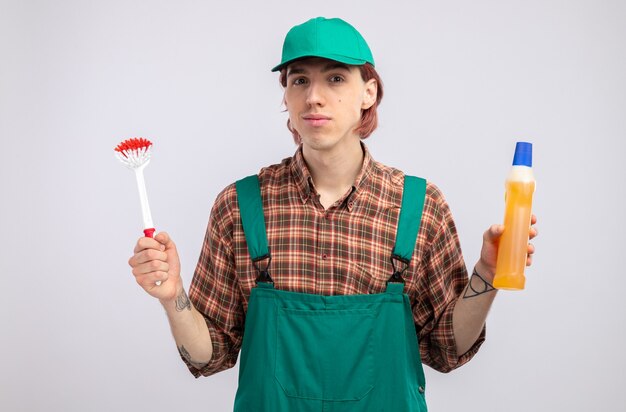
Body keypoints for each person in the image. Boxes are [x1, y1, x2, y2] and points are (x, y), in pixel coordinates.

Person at [128, 17, 537, 411]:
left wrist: (487, 272)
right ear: (285, 95)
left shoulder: (420, 206)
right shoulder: (239, 206)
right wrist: (173, 297)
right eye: (299, 79)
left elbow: (448, 348)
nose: (314, 97)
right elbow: (209, 355)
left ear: (369, 92)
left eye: (335, 78)